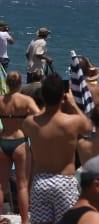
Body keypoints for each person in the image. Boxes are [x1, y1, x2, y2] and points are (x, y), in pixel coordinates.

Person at [23, 74, 93, 224]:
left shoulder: (30, 123)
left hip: (40, 181)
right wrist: (73, 105)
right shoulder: (72, 122)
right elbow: (89, 128)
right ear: (62, 95)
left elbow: (39, 118)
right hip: (64, 180)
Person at [1, 70, 39, 224]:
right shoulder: (26, 100)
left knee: (1, 184)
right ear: (20, 83)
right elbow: (39, 116)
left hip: (3, 141)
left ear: (7, 83)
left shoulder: (1, 99)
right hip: (20, 141)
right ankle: (24, 220)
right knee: (22, 184)